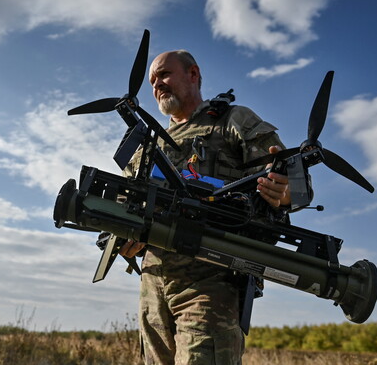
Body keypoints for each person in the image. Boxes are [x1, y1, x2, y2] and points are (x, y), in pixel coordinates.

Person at [119, 50, 291, 365]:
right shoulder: (149, 144)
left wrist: (283, 189)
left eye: (164, 74)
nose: (157, 84)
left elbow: (285, 179)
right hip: (153, 284)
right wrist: (121, 237)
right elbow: (121, 201)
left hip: (212, 280)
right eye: (153, 81)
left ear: (193, 74)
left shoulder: (233, 120)